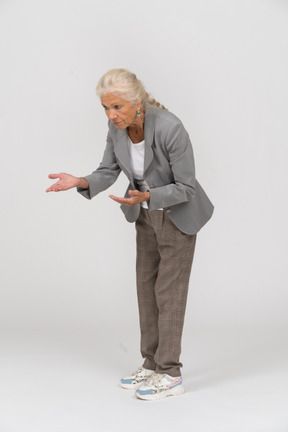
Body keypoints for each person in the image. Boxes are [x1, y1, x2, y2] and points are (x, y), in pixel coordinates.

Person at [46, 68, 214, 401]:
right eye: (106, 108)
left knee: (168, 293)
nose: (111, 115)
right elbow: (108, 170)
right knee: (145, 289)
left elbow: (187, 188)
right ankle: (151, 363)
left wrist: (150, 196)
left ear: (136, 102)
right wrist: (80, 181)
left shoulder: (170, 127)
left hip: (177, 216)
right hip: (144, 216)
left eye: (117, 107)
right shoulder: (116, 128)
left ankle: (171, 372)